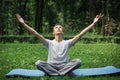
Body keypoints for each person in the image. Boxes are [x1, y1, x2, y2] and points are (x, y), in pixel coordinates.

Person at [15, 13, 103, 76]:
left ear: (62, 32)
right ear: (53, 32)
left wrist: (93, 23)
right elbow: (35, 33)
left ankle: (55, 74)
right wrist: (23, 24)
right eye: (56, 27)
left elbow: (80, 34)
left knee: (78, 61)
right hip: (50, 66)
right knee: (38, 63)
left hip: (64, 66)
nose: (58, 28)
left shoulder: (67, 43)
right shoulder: (48, 43)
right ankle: (60, 73)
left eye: (60, 27)